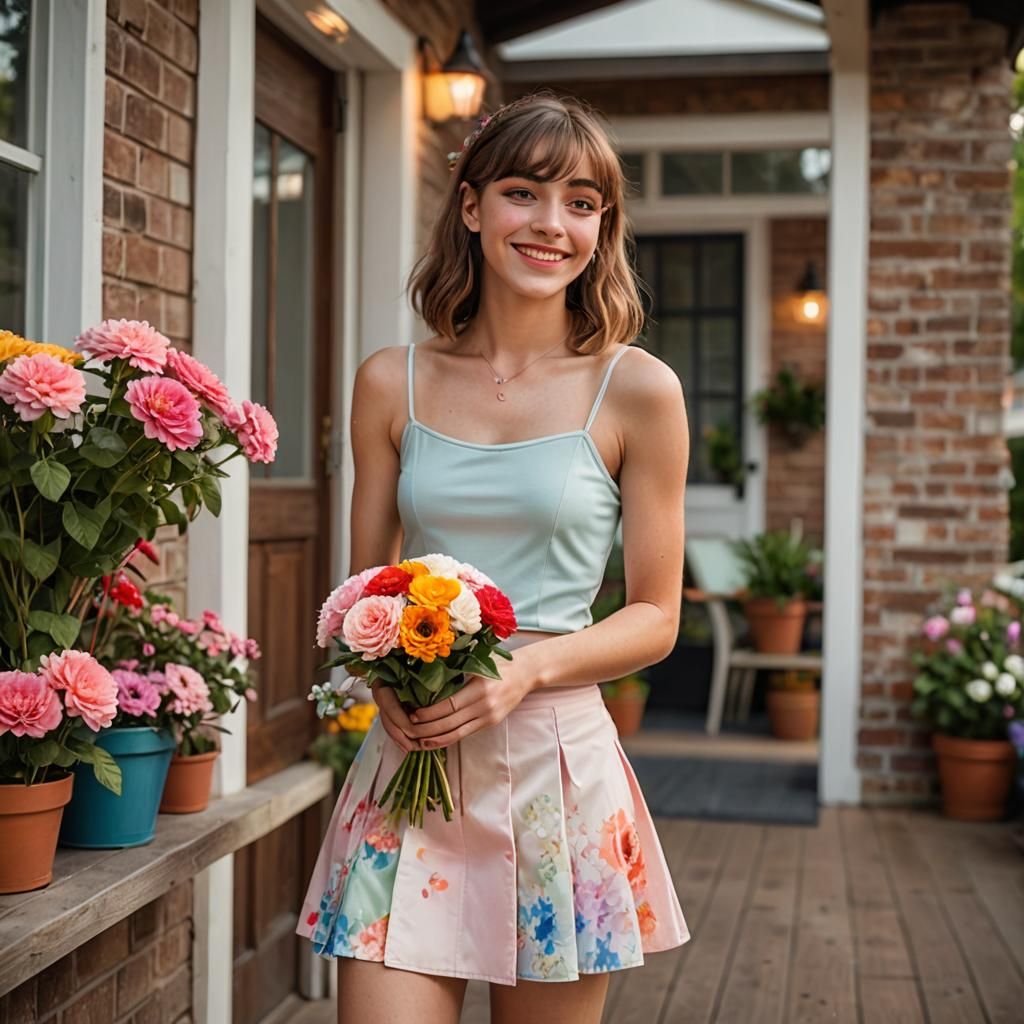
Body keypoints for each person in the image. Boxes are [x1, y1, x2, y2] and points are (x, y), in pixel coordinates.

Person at [297, 91, 690, 1024]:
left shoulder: (638, 390)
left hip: (557, 776)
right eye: (524, 193)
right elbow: (364, 590)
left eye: (582, 203)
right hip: (412, 774)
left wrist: (527, 671)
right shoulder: (390, 381)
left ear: (602, 228)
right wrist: (380, 678)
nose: (552, 224)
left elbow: (656, 616)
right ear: (471, 206)